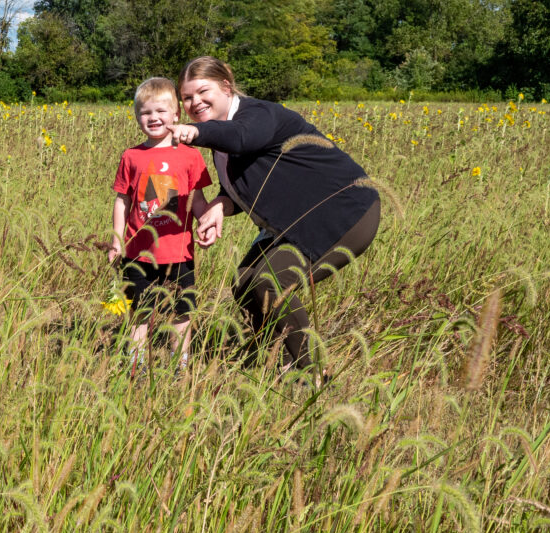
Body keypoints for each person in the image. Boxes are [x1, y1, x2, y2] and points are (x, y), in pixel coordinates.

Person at [170, 56, 380, 381]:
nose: (194, 102)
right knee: (245, 283)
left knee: (270, 281)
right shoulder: (221, 140)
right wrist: (220, 206)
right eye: (187, 97)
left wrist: (195, 131)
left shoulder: (257, 115)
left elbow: (243, 137)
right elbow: (245, 185)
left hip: (343, 214)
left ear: (226, 86)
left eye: (202, 91)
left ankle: (313, 373)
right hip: (296, 224)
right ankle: (277, 363)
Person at [109, 76, 213, 374]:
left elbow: (197, 199)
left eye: (160, 111)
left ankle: (180, 366)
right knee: (139, 312)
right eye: (145, 113)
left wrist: (207, 222)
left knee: (182, 311)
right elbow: (122, 201)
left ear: (176, 115)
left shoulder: (191, 156)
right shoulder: (132, 156)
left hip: (179, 252)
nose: (153, 118)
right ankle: (136, 366)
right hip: (138, 253)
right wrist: (117, 241)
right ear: (137, 117)